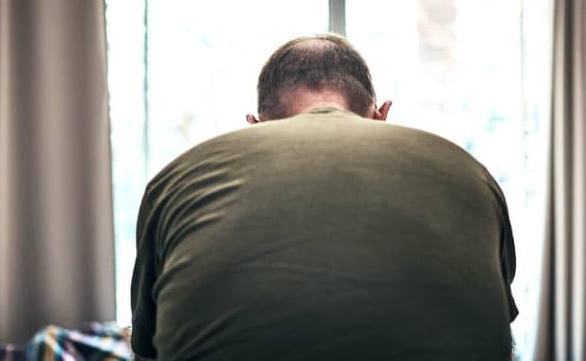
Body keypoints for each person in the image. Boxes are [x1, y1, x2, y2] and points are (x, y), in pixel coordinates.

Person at [130, 33, 518, 360]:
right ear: (381, 116)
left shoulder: (175, 181)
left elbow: (147, 350)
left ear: (254, 128)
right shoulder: (469, 174)